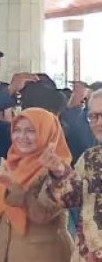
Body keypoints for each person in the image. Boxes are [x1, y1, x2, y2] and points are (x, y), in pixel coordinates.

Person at [0, 108, 75, 262]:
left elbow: (42, 214)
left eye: (31, 131)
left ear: (47, 133)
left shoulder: (58, 171)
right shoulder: (11, 164)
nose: (22, 136)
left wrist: (12, 187)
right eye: (16, 130)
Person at [43, 89, 102, 261]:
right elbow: (71, 200)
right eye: (93, 117)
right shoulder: (90, 157)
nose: (98, 123)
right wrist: (59, 172)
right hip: (88, 252)